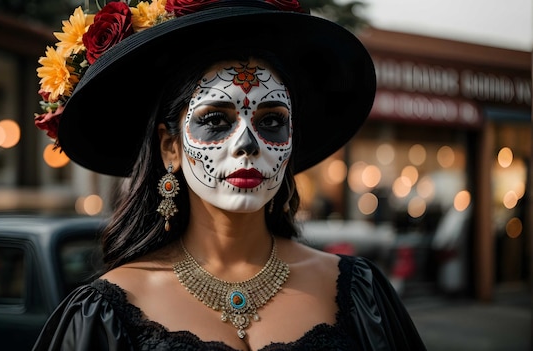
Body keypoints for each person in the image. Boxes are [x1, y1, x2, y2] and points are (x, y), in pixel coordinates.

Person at [32, 0, 427, 350]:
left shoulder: (358, 293)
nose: (247, 144)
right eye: (216, 120)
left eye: (272, 121)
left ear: (291, 144)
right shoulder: (107, 311)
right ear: (170, 146)